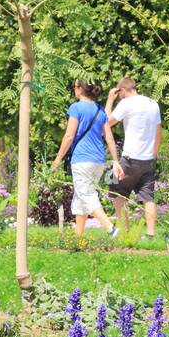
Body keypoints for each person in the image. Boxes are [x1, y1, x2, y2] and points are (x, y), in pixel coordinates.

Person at [51, 79, 117, 238]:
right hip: (99, 161)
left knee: (86, 195)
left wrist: (58, 159)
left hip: (82, 159)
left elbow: (69, 136)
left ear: (80, 89)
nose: (74, 89)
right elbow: (109, 137)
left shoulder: (76, 108)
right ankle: (78, 238)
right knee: (80, 196)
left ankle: (110, 228)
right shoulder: (100, 110)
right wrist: (115, 160)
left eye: (74, 86)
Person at [103, 76, 162, 238]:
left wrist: (109, 100)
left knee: (114, 187)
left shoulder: (126, 103)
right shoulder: (153, 103)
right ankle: (150, 235)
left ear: (121, 90)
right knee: (148, 197)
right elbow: (158, 133)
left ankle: (124, 230)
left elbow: (105, 122)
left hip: (129, 158)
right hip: (148, 159)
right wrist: (154, 155)